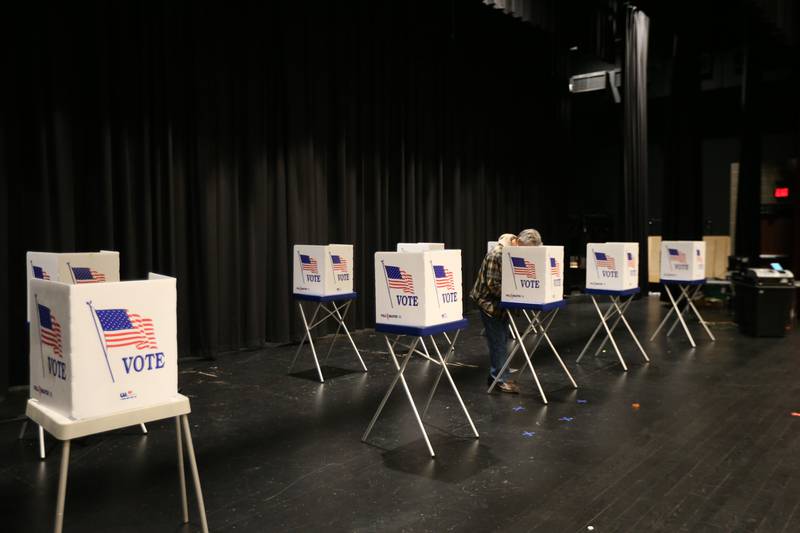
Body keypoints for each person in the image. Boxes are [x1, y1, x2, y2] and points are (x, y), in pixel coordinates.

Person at [470, 228, 543, 393]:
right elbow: (492, 285)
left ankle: (496, 375)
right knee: (499, 341)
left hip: (502, 302)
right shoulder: (497, 254)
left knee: (501, 339)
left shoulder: (513, 251)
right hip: (488, 302)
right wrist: (518, 294)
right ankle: (500, 380)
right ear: (517, 241)